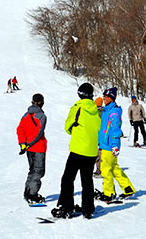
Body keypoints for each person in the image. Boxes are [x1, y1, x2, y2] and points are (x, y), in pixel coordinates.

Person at [51, 83, 100, 219]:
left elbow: (67, 126)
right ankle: (88, 209)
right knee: (87, 180)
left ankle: (66, 207)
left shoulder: (78, 107)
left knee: (67, 179)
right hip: (91, 151)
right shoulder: (96, 110)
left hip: (78, 149)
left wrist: (76, 132)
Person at [98, 88, 136, 202]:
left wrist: (114, 145)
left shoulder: (113, 112)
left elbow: (116, 129)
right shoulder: (107, 110)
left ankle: (109, 194)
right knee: (115, 168)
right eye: (104, 96)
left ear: (112, 98)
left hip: (108, 145)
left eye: (106, 96)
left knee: (105, 170)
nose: (104, 98)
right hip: (106, 144)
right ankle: (128, 188)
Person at [16, 93, 47, 205]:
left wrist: (23, 143)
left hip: (29, 149)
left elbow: (20, 129)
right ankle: (32, 195)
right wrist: (29, 143)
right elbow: (39, 133)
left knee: (33, 170)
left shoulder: (26, 115)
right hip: (38, 147)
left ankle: (28, 192)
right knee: (38, 171)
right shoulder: (42, 116)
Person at [92, 96, 104, 178]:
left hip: (98, 135)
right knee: (99, 154)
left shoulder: (97, 112)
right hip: (100, 135)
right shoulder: (103, 111)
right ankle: (99, 169)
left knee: (98, 154)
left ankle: (100, 171)